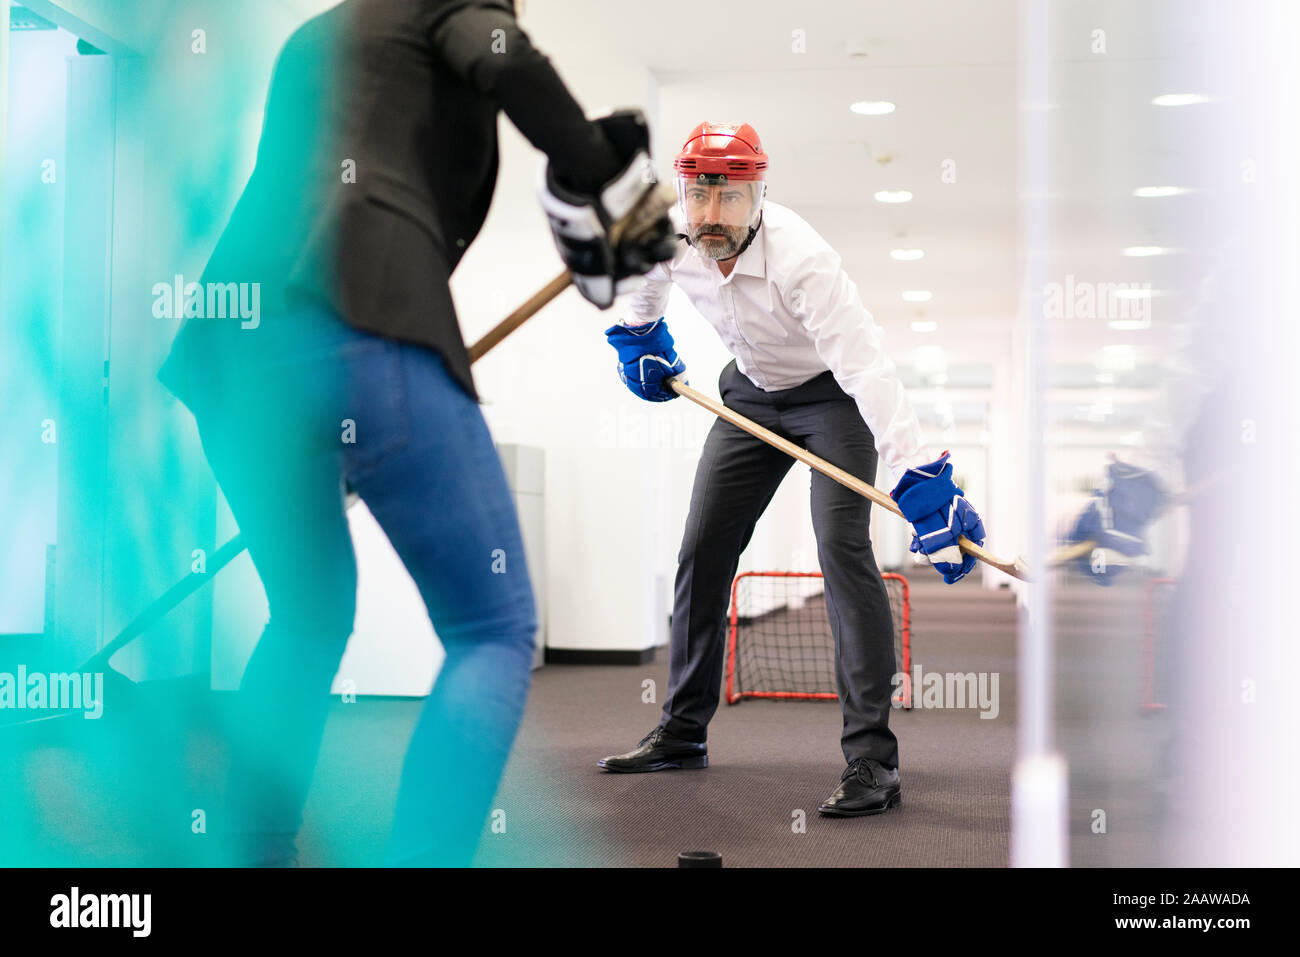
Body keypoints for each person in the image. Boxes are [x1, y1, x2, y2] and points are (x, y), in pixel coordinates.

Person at [157, 0, 674, 866]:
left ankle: (250, 854)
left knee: (307, 615)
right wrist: (603, 175)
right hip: (364, 319)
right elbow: (503, 57)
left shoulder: (316, 36)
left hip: (232, 357)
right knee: (491, 627)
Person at [596, 122, 987, 816]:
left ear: (758, 195)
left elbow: (867, 369)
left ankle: (872, 759)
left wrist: (923, 481)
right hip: (749, 393)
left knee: (841, 547)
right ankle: (683, 732)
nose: (712, 216)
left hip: (829, 401)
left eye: (730, 199)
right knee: (702, 549)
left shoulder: (804, 259)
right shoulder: (668, 231)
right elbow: (645, 294)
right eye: (699, 197)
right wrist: (639, 339)